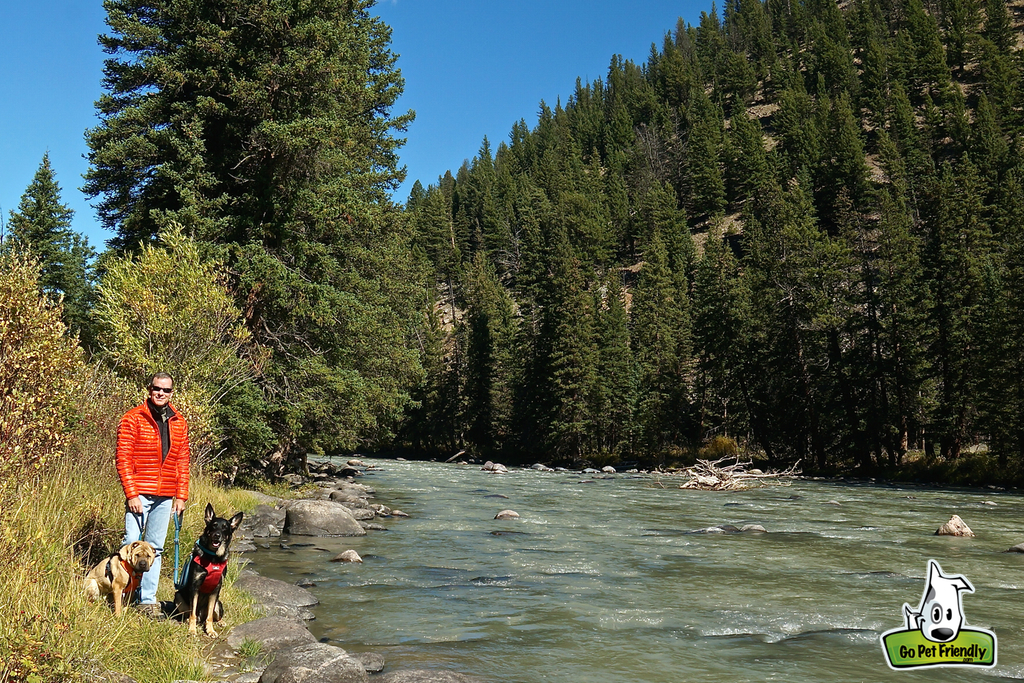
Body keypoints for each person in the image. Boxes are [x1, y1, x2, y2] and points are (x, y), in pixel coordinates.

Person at [116, 372, 190, 617]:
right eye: (157, 388)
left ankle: (147, 601)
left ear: (172, 393)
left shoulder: (179, 422)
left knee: (155, 549)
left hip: (166, 495)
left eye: (166, 390)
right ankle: (124, 595)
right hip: (139, 493)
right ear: (149, 389)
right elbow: (123, 459)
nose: (161, 393)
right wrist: (131, 494)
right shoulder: (133, 418)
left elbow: (182, 461)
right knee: (130, 544)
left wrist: (181, 496)